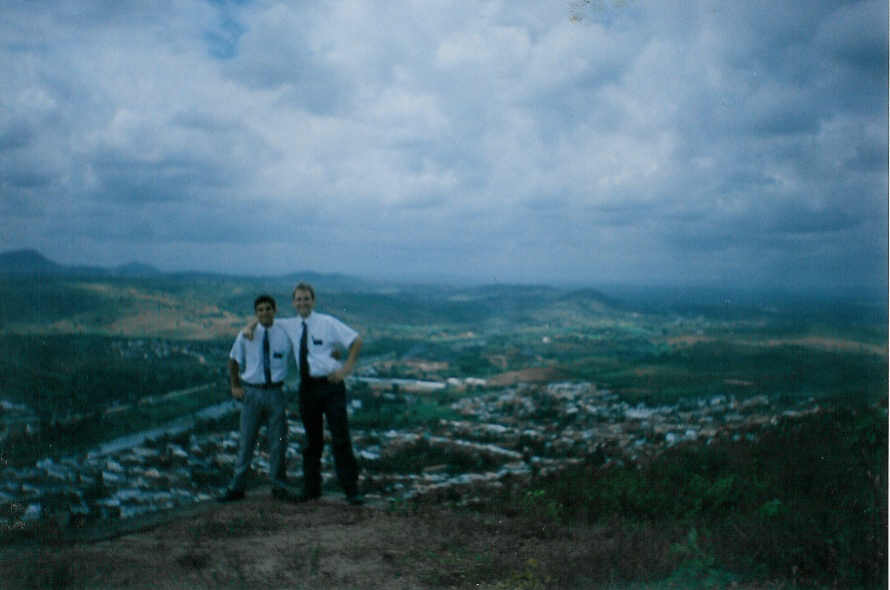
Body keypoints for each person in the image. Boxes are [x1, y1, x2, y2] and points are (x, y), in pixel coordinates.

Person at [245, 282, 364, 505]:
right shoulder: (290, 325)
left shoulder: (326, 322)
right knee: (312, 440)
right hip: (307, 387)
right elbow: (266, 318)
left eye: (306, 298)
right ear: (293, 303)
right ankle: (312, 489)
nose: (302, 303)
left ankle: (351, 490)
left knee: (340, 436)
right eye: (298, 299)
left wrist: (346, 369)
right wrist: (250, 327)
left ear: (313, 301)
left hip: (330, 386)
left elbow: (356, 340)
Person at [218, 294, 299, 503]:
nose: (265, 312)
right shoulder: (245, 335)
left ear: (275, 310)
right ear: (256, 313)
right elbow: (233, 360)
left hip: (275, 393)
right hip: (251, 393)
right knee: (246, 441)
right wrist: (235, 385)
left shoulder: (284, 334)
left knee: (278, 441)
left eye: (268, 309)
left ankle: (278, 486)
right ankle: (237, 487)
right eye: (260, 310)